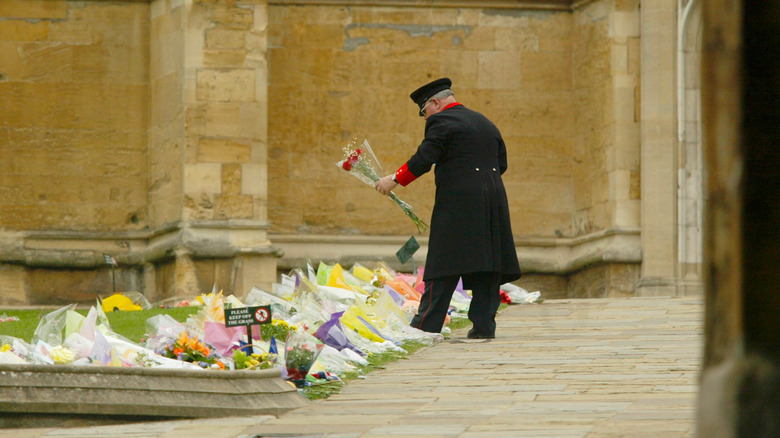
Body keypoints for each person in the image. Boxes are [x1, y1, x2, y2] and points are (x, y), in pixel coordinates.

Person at [374, 77, 522, 339]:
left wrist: (394, 179)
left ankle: (425, 326)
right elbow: (502, 163)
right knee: (486, 262)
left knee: (444, 261)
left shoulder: (441, 121)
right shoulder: (485, 121)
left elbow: (424, 158)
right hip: (493, 199)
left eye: (423, 110)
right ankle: (484, 327)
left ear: (435, 102)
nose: (424, 117)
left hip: (459, 200)